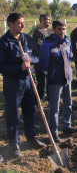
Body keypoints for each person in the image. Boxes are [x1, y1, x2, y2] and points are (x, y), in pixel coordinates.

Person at [0, 13, 46, 158]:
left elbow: (36, 57)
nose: (23, 26)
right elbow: (2, 68)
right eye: (19, 23)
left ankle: (31, 137)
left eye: (23, 23)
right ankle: (14, 144)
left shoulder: (27, 39)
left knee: (29, 110)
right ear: (10, 24)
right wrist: (19, 67)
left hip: (28, 81)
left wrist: (29, 60)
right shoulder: (3, 42)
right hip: (13, 83)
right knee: (13, 113)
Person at [39, 20, 77, 143]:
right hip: (55, 79)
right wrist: (49, 74)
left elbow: (69, 57)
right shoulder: (48, 44)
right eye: (59, 29)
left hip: (67, 77)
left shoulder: (66, 41)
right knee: (54, 107)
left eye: (63, 29)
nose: (62, 31)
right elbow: (44, 63)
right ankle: (54, 132)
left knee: (68, 103)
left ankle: (67, 126)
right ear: (53, 30)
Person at [32, 14, 53, 100]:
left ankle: (49, 97)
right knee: (42, 81)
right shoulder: (38, 32)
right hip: (40, 60)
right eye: (48, 20)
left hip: (50, 60)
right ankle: (39, 99)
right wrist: (51, 48)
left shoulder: (50, 31)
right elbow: (40, 46)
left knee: (50, 79)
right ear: (42, 20)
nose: (49, 21)